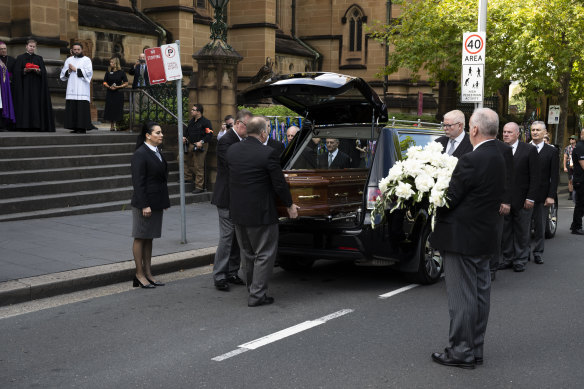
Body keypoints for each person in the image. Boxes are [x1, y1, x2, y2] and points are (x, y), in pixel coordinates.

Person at [430, 108, 506, 369]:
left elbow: (450, 200)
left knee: (462, 297)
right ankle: (475, 348)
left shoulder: (472, 159)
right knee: (480, 294)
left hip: (461, 238)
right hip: (485, 235)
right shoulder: (501, 154)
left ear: (473, 129)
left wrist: (429, 199)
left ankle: (461, 351)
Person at [227, 116, 299, 307]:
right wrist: (290, 204)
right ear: (263, 133)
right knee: (264, 253)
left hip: (238, 212)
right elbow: (279, 184)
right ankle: (258, 295)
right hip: (261, 213)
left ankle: (252, 289)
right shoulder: (267, 153)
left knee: (248, 253)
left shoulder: (232, 150)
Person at [210, 109, 252, 291]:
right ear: (239, 124)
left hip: (238, 198)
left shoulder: (243, 140)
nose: (250, 130)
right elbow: (233, 166)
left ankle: (232, 272)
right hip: (226, 197)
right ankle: (219, 275)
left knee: (237, 238)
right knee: (227, 238)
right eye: (248, 127)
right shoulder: (226, 141)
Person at [130, 121, 170, 289]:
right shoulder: (141, 153)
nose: (161, 135)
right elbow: (138, 182)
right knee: (140, 236)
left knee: (149, 237)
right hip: (144, 204)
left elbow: (161, 179)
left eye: (161, 132)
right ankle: (139, 274)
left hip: (156, 202)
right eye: (158, 133)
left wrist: (163, 201)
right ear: (148, 135)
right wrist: (145, 204)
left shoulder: (157, 151)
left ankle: (148, 273)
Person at [499, 122, 539, 273]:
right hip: (504, 200)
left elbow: (535, 176)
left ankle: (521, 259)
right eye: (504, 132)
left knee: (522, 231)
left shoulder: (529, 150)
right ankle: (508, 258)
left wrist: (531, 198)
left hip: (523, 199)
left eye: (509, 132)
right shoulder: (499, 149)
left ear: (517, 134)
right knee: (506, 231)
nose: (506, 135)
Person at [529, 121, 559, 264]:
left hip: (542, 195)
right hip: (525, 195)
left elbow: (554, 176)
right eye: (533, 130)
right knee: (524, 227)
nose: (535, 132)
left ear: (545, 133)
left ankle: (538, 252)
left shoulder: (551, 151)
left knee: (540, 226)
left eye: (538, 130)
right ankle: (523, 253)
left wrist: (551, 196)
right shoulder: (524, 148)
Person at [12, 38, 55, 132]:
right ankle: (24, 125)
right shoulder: (20, 58)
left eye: (33, 46)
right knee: (25, 105)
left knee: (36, 105)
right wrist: (24, 70)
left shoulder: (39, 58)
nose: (32, 48)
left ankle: (36, 125)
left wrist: (38, 70)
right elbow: (16, 72)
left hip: (36, 87)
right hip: (24, 87)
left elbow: (43, 72)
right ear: (26, 46)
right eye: (30, 46)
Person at [60, 42, 93, 134]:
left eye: (78, 49)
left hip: (82, 88)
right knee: (73, 108)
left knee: (81, 108)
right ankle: (74, 126)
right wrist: (69, 70)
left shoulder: (87, 60)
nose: (76, 51)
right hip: (72, 87)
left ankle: (82, 128)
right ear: (72, 50)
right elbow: (63, 75)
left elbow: (89, 73)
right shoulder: (69, 60)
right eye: (75, 49)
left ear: (82, 50)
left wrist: (76, 69)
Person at [182, 104, 213, 193]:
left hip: (201, 145)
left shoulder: (206, 122)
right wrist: (184, 137)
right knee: (182, 158)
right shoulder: (191, 121)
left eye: (193, 110)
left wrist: (201, 142)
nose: (191, 111)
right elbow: (186, 131)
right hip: (191, 144)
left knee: (199, 165)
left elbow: (209, 135)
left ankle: (199, 187)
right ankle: (188, 177)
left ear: (198, 112)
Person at [102, 57, 128, 131]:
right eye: (110, 62)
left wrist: (118, 86)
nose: (110, 64)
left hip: (118, 93)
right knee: (110, 108)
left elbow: (126, 83)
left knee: (118, 109)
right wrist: (109, 87)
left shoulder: (121, 72)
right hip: (110, 92)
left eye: (112, 62)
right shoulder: (108, 72)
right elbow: (104, 82)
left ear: (116, 63)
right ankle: (112, 125)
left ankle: (118, 125)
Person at [570, 129, 584, 235]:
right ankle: (576, 227)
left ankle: (575, 225)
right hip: (580, 180)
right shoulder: (580, 146)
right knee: (580, 204)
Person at [564, 135, 577, 200]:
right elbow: (565, 157)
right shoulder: (567, 148)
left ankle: (577, 193)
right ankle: (570, 194)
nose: (571, 140)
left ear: (575, 140)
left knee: (577, 179)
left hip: (577, 166)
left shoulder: (578, 147)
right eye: (570, 139)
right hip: (570, 166)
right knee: (570, 180)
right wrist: (564, 167)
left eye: (572, 139)